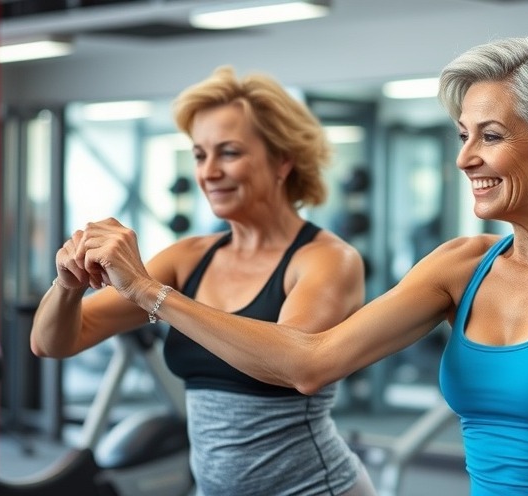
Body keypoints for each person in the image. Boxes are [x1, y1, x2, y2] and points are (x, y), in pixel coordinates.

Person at [55, 20, 528, 495]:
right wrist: (139, 292)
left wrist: (153, 294)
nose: (465, 156)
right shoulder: (458, 266)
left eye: (490, 136)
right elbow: (313, 360)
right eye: (461, 134)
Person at [30, 66, 376, 496]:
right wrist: (67, 284)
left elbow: (296, 367)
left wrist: (148, 290)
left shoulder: (327, 259)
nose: (208, 172)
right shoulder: (189, 258)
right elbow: (54, 342)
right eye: (199, 155)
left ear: (282, 160)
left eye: (228, 153)